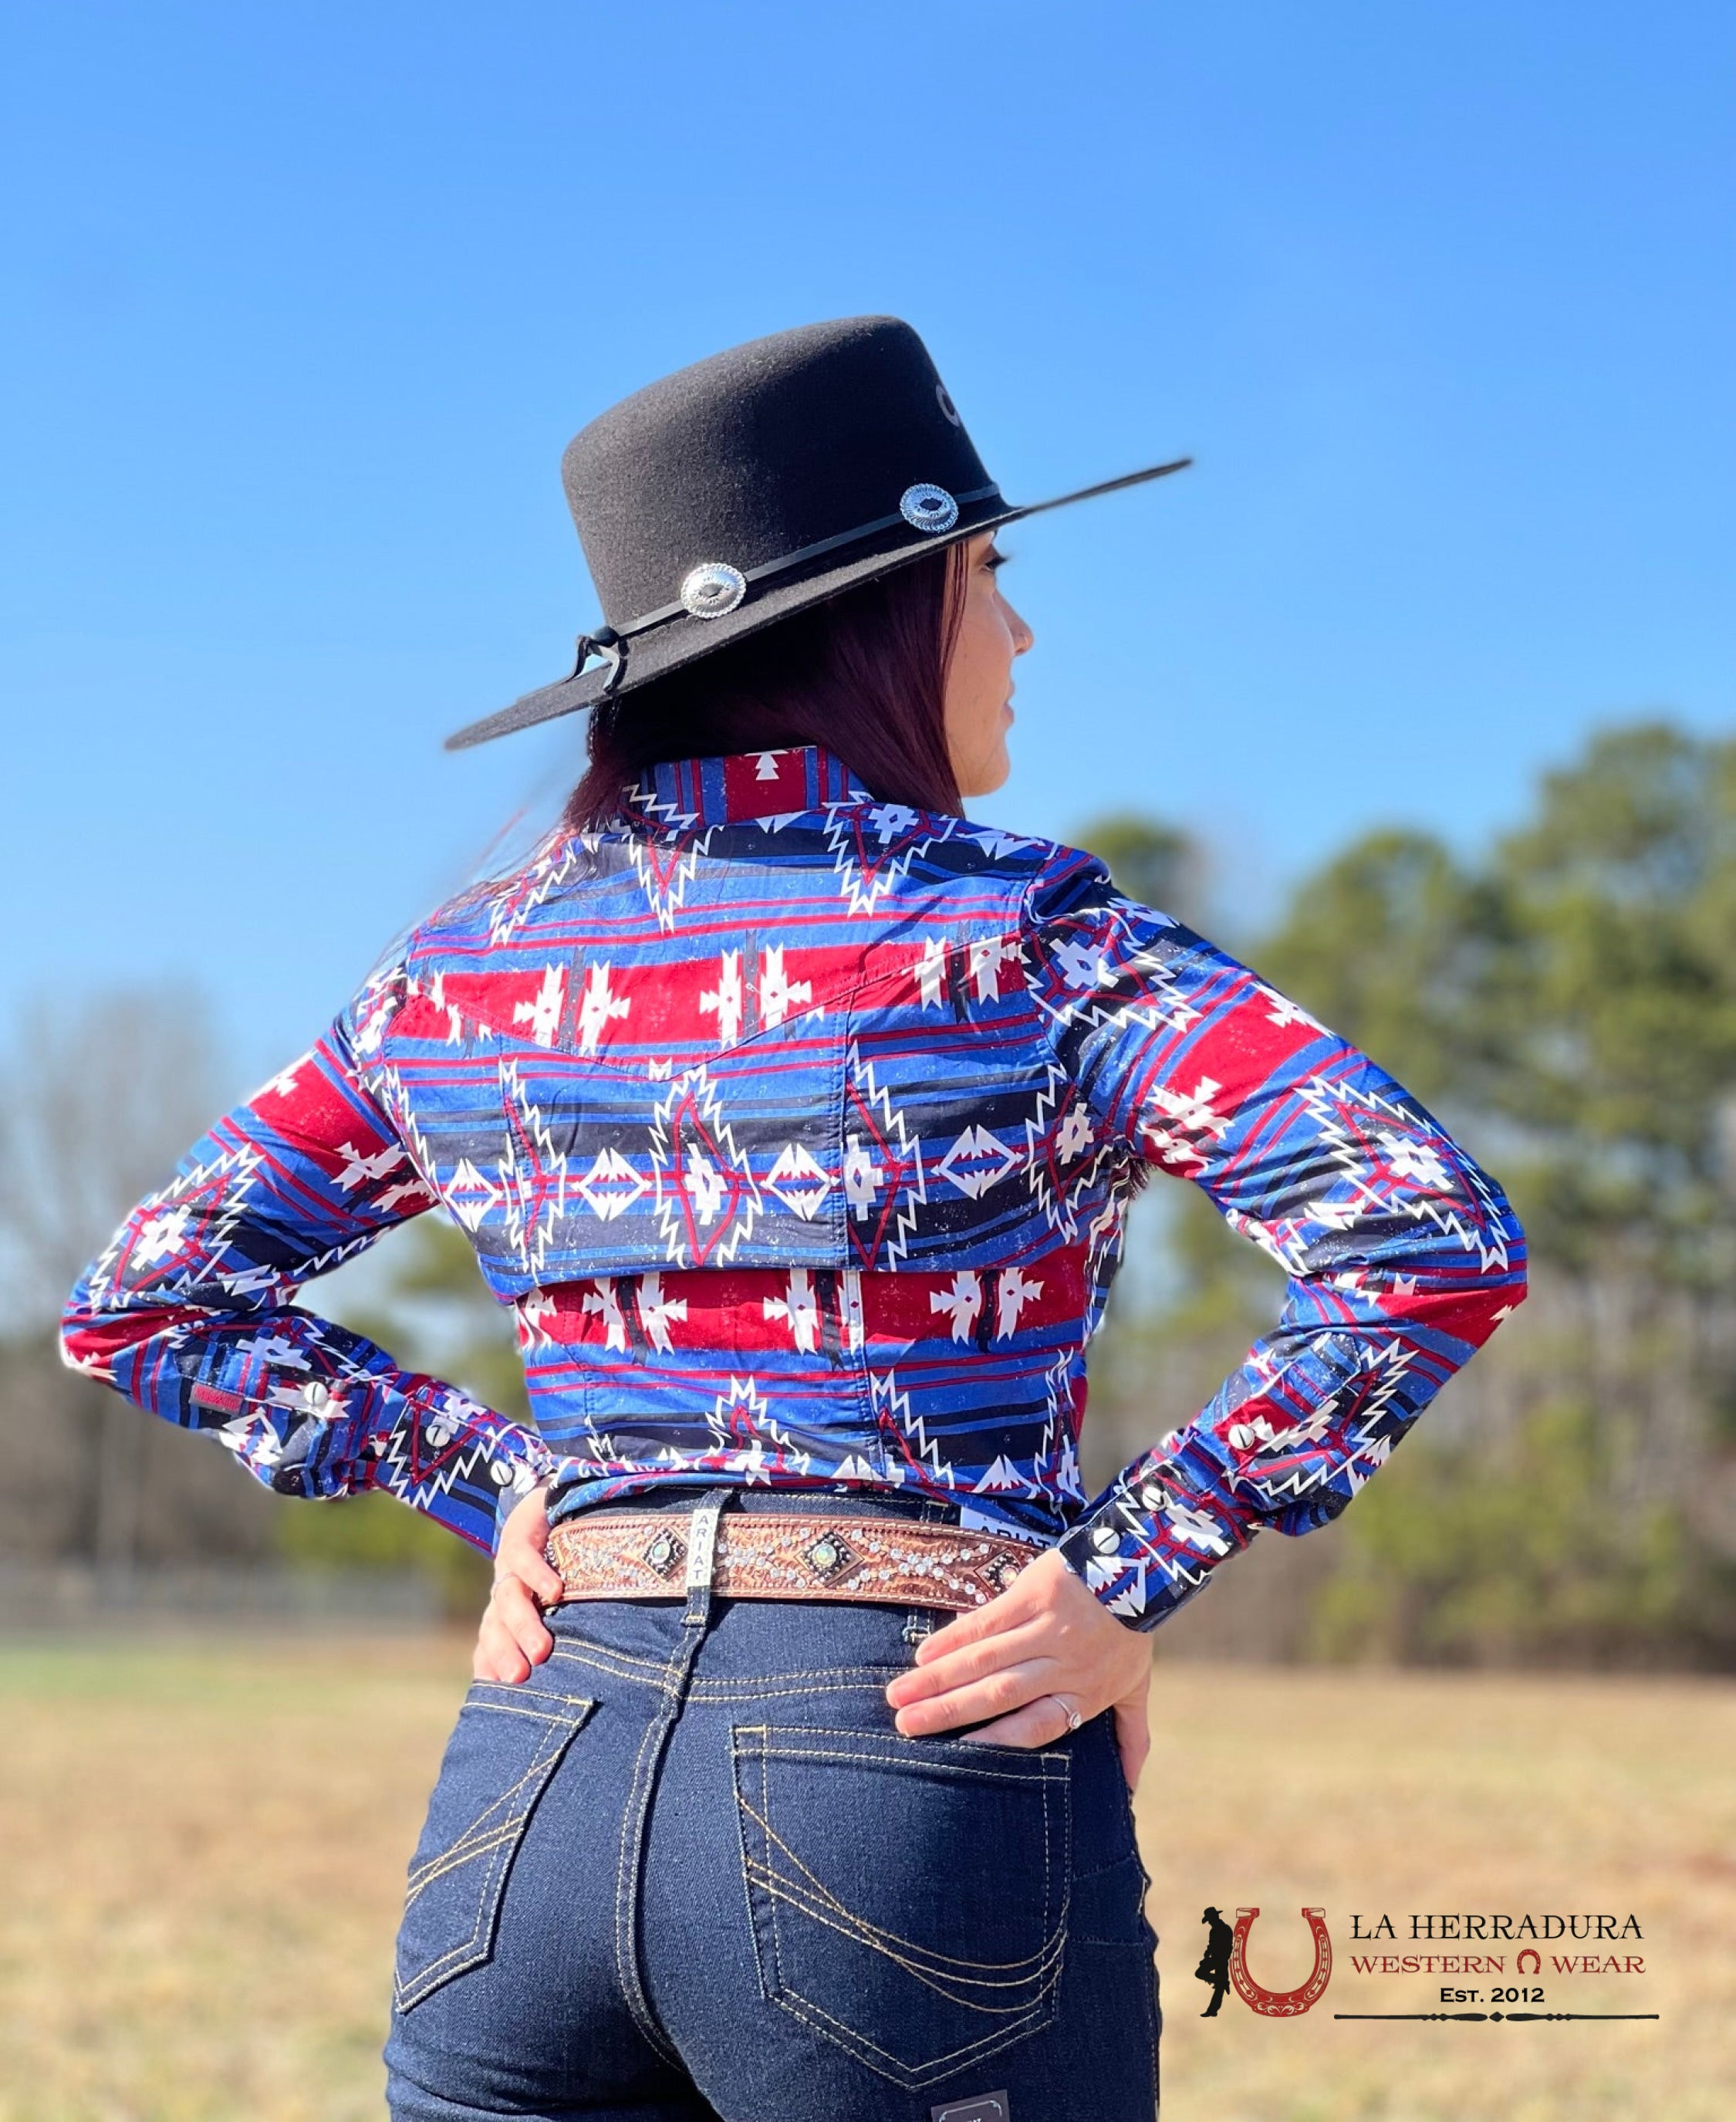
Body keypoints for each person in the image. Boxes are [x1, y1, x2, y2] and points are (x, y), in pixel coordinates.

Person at [62, 317, 1525, 2122]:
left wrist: (485, 1476)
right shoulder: (1023, 935)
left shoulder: (459, 973)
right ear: (876, 617)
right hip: (913, 1776)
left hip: (531, 1793)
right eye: (991, 573)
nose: (1022, 631)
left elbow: (148, 1301)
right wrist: (1126, 1571)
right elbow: (1424, 1233)